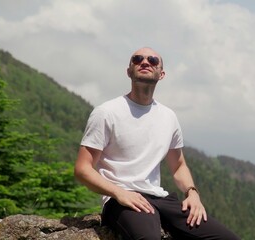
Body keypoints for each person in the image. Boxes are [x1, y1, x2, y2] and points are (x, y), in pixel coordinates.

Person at [74, 47, 240, 240]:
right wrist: (118, 193)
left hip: (160, 198)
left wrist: (192, 193)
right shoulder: (106, 112)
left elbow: (178, 166)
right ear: (129, 71)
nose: (145, 62)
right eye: (137, 59)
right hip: (122, 199)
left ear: (161, 74)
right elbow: (82, 169)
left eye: (152, 60)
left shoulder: (168, 116)